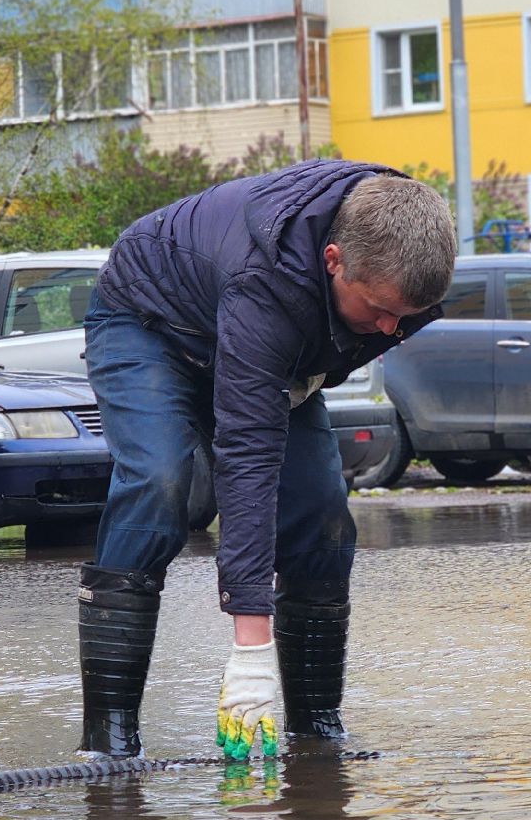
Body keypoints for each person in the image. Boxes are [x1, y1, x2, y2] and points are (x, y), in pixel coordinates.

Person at [77, 160, 456, 758]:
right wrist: (250, 653)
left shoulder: (403, 256)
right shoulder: (267, 275)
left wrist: (314, 371)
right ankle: (109, 738)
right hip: (150, 326)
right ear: (333, 260)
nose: (390, 328)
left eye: (403, 318)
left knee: (322, 511)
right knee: (160, 481)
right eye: (380, 310)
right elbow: (248, 458)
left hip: (268, 346)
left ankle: (316, 725)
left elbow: (360, 328)